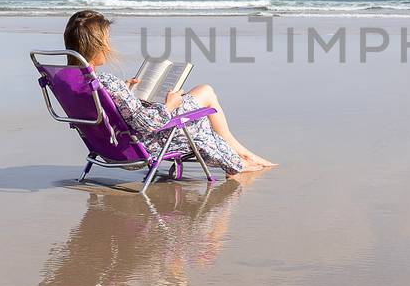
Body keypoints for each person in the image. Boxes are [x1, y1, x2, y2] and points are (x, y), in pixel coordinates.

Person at [63, 9, 276, 173]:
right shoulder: (107, 81)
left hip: (108, 148)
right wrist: (169, 105)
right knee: (204, 99)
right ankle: (239, 159)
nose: (109, 47)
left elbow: (102, 112)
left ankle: (239, 155)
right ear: (98, 45)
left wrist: (123, 93)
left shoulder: (69, 81)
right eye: (106, 41)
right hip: (141, 146)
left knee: (200, 101)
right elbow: (145, 124)